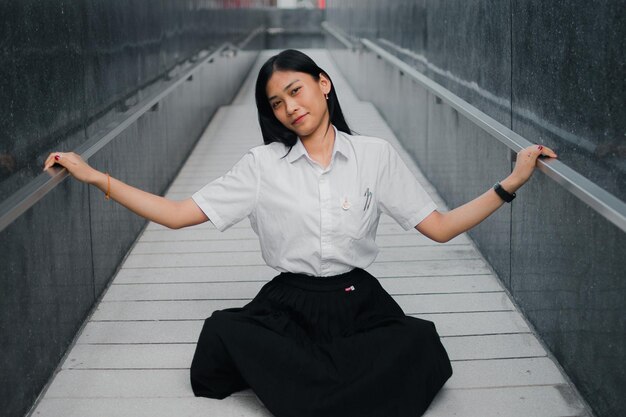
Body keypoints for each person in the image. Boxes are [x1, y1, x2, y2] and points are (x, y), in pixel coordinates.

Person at [43, 49, 557, 417]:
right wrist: (95, 177)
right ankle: (337, 389)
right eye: (276, 102)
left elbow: (440, 228)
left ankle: (316, 390)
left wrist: (511, 182)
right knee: (223, 334)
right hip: (288, 303)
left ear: (323, 84)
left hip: (359, 299)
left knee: (419, 344)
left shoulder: (373, 155)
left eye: (296, 89)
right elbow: (178, 214)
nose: (290, 107)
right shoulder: (262, 166)